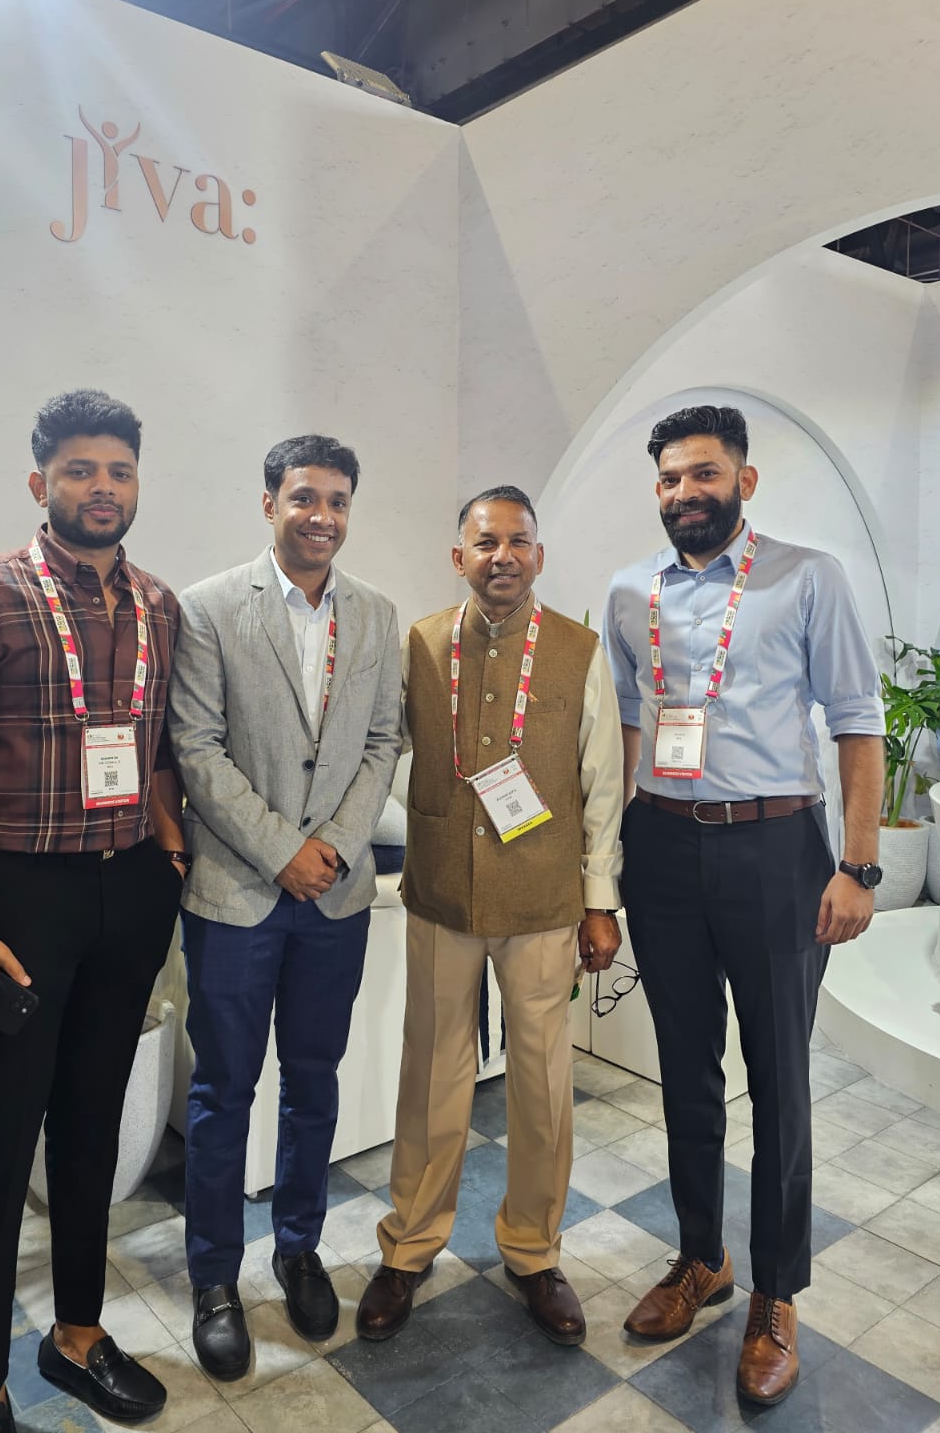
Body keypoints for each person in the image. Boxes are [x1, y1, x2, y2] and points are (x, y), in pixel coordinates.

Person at [0, 390, 185, 1433]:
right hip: (18, 903)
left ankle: (76, 1333)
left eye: (118, 470)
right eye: (79, 470)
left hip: (129, 891)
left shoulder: (157, 604)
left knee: (91, 1127)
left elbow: (159, 748)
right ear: (40, 483)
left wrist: (169, 850)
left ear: (137, 483)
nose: (101, 488)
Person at [603, 404, 885, 1407]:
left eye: (704, 474)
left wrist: (858, 865)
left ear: (744, 481)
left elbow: (857, 722)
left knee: (779, 1083)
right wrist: (610, 860)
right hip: (662, 846)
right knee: (685, 1071)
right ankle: (701, 1258)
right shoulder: (630, 592)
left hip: (775, 848)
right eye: (671, 478)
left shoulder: (807, 577)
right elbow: (624, 732)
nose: (686, 492)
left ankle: (776, 1294)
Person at [358, 485, 625, 1347]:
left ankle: (535, 1251)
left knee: (542, 1085)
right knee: (431, 1075)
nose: (501, 556)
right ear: (459, 557)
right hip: (442, 894)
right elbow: (382, 748)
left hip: (543, 901)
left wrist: (600, 901)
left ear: (538, 555)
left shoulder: (579, 651)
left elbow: (603, 784)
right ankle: (408, 1246)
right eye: (485, 542)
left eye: (517, 542)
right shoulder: (422, 643)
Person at [168, 435, 402, 1380]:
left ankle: (299, 1249)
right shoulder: (209, 607)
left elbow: (382, 742)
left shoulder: (375, 613)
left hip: (335, 898)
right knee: (224, 1092)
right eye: (305, 497)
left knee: (314, 1081)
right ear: (269, 503)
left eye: (338, 500)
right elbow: (196, 746)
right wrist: (283, 851)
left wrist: (331, 848)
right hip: (236, 893)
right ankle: (214, 1279)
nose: (323, 516)